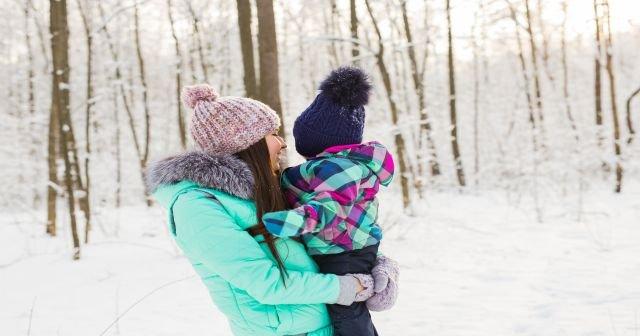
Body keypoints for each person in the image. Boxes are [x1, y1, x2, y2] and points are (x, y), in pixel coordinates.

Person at [145, 84, 394, 336]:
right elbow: (266, 283)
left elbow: (333, 228)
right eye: (273, 133)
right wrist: (348, 286)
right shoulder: (196, 207)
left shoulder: (268, 188)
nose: (282, 143)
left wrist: (379, 265)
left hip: (333, 325)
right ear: (247, 142)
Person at [263, 67, 398, 336]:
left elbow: (330, 208)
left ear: (318, 139)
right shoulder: (337, 165)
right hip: (347, 245)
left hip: (343, 250)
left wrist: (293, 221)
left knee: (346, 311)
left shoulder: (336, 169)